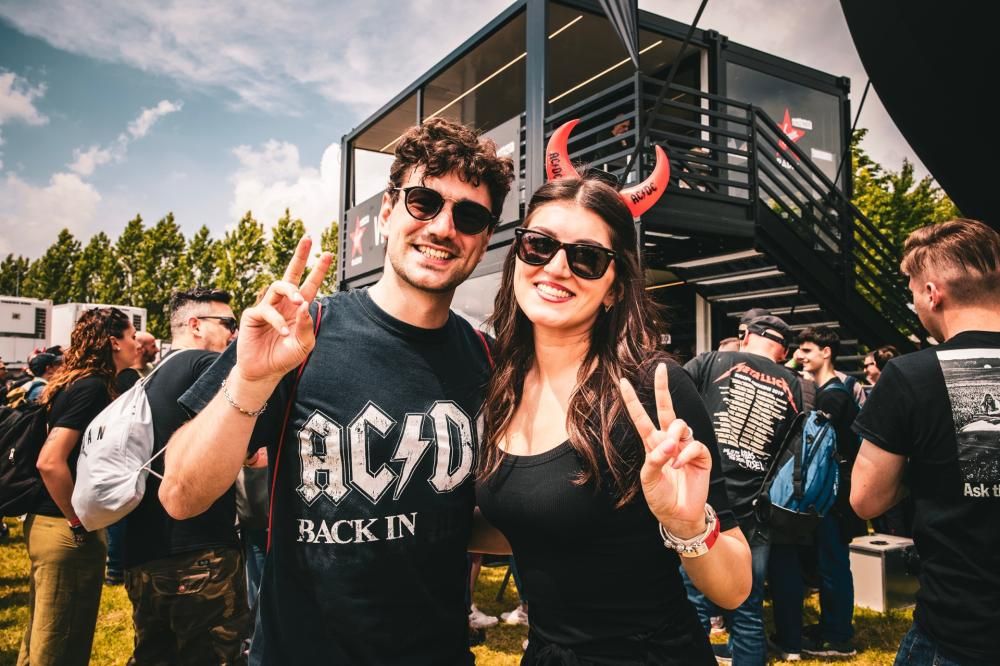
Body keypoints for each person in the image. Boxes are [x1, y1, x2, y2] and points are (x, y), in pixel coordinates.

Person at [158, 117, 515, 664]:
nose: (444, 228)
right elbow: (181, 496)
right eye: (424, 202)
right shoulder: (301, 331)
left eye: (468, 216)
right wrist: (252, 380)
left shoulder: (488, 359)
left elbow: (460, 521)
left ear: (485, 238)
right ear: (388, 212)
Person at [476, 174, 751, 664]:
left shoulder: (651, 388)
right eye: (539, 245)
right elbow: (535, 522)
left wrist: (688, 525)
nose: (556, 267)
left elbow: (734, 589)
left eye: (587, 258)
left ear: (613, 288)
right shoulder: (500, 384)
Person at [852, 218, 1000, 666]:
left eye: (913, 292)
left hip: (959, 630)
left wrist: (927, 468)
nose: (915, 303)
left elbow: (866, 498)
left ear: (933, 293)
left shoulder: (910, 375)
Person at [122, 288, 251, 665]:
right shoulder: (207, 366)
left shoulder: (151, 376)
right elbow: (251, 450)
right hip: (200, 554)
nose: (234, 333)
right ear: (195, 325)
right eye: (227, 323)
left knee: (154, 655)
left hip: (142, 551)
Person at [19, 307, 140, 666]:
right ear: (114, 342)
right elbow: (50, 460)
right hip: (63, 528)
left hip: (50, 525)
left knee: (42, 637)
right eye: (132, 336)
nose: (136, 344)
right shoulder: (91, 387)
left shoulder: (77, 382)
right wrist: (77, 520)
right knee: (59, 642)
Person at [683, 313, 806, 665]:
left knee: (692, 602)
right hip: (755, 508)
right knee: (747, 607)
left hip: (702, 499)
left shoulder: (712, 361)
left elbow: (670, 398)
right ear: (784, 352)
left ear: (745, 336)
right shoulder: (793, 383)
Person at [768, 326, 863, 659]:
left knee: (832, 563)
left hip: (833, 494)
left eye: (807, 350)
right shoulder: (831, 391)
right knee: (829, 562)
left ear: (827, 352)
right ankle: (833, 628)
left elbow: (820, 453)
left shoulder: (832, 397)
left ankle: (838, 637)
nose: (800, 355)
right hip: (834, 491)